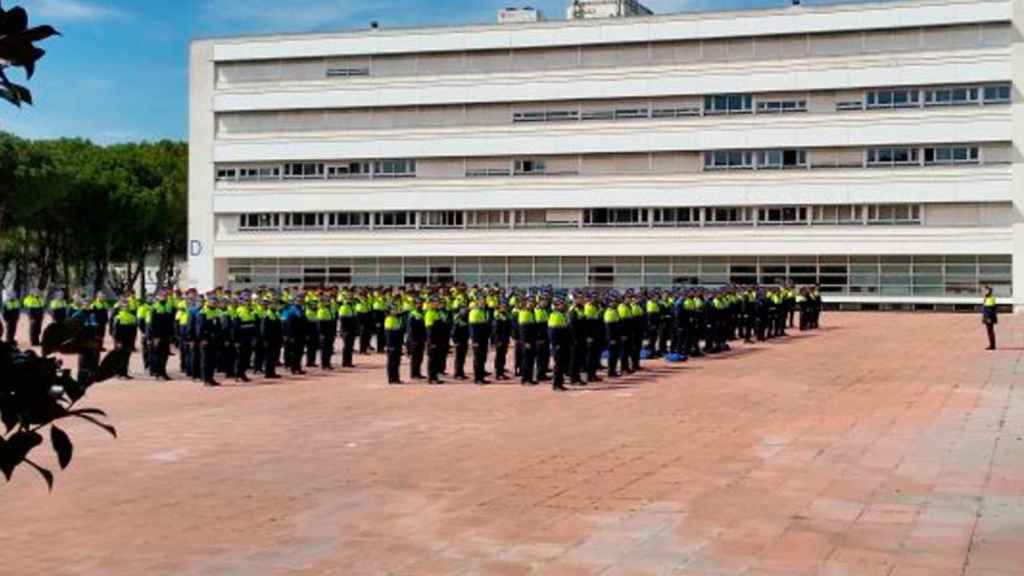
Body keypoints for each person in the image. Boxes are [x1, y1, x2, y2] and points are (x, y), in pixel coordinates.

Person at [147, 290, 175, 381]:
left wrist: (172, 335)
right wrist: (154, 337)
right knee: (158, 355)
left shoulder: (169, 307)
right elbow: (152, 324)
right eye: (163, 295)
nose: (165, 297)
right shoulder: (154, 307)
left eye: (166, 295)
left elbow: (171, 322)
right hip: (157, 336)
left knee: (165, 355)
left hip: (166, 334)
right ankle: (158, 373)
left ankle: (163, 372)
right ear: (158, 297)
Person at [111, 300, 138, 380]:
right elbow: (115, 331)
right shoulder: (118, 317)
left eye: (127, 306)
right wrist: (117, 341)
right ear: (121, 308)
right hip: (120, 341)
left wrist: (133, 341)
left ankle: (124, 373)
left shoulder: (132, 317)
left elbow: (134, 330)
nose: (126, 308)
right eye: (124, 306)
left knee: (126, 357)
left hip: (129, 340)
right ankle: (118, 373)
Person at [548, 299, 570, 391]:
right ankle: (556, 384)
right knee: (558, 365)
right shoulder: (555, 315)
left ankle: (560, 383)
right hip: (558, 345)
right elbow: (553, 332)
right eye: (560, 305)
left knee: (562, 364)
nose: (563, 306)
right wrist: (556, 344)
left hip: (563, 344)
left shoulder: (561, 315)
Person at [468, 299, 490, 385]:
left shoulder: (482, 311)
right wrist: (475, 341)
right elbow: (473, 328)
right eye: (481, 302)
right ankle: (477, 378)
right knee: (478, 359)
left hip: (483, 338)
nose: (483, 303)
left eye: (484, 302)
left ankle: (481, 376)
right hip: (477, 339)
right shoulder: (474, 312)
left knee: (482, 358)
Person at [518, 300, 537, 385]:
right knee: (526, 360)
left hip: (532, 340)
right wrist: (526, 342)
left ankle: (529, 378)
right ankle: (525, 379)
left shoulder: (531, 313)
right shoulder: (524, 313)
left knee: (531, 360)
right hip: (527, 341)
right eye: (530, 303)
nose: (531, 304)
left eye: (532, 302)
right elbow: (523, 330)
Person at [384, 305, 404, 384]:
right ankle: (391, 378)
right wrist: (390, 346)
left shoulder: (396, 319)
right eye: (393, 309)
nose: (395, 311)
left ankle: (396, 377)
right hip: (392, 344)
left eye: (396, 309)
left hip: (397, 343)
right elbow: (389, 335)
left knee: (397, 361)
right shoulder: (389, 319)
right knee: (392, 362)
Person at [492, 302, 511, 381]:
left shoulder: (506, 315)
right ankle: (498, 373)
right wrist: (497, 341)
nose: (504, 308)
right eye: (503, 306)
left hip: (505, 339)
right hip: (500, 340)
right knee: (499, 356)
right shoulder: (498, 317)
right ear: (499, 308)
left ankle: (501, 372)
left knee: (503, 356)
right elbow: (496, 330)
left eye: (505, 306)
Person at [983, 285, 998, 351]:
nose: (984, 292)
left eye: (985, 290)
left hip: (989, 317)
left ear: (989, 291)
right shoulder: (988, 297)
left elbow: (990, 310)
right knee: (990, 331)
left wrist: (988, 318)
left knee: (990, 331)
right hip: (989, 317)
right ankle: (992, 345)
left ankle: (992, 346)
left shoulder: (990, 298)